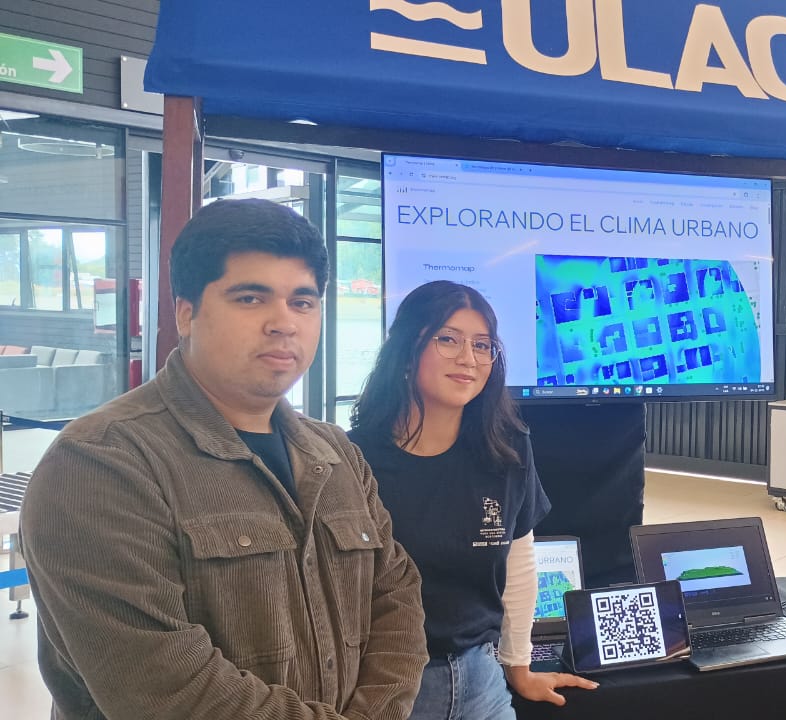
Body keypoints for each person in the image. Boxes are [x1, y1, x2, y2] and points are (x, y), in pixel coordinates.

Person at [20, 198, 428, 719]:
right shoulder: (100, 464)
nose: (284, 323)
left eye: (303, 302)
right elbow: (172, 694)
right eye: (251, 298)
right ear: (186, 313)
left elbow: (397, 600)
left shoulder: (336, 453)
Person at [349, 280, 596, 720]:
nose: (468, 358)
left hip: (480, 678)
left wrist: (518, 667)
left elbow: (518, 563)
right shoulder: (354, 459)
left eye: (482, 345)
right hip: (388, 684)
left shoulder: (507, 450)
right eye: (448, 339)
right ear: (407, 350)